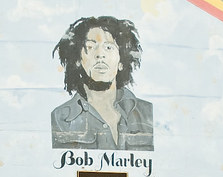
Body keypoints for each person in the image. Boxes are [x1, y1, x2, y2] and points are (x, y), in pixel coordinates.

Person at [51, 15, 153, 151]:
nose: (100, 54)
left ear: (121, 61)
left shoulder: (147, 113)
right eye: (90, 47)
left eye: (109, 47)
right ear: (78, 60)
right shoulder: (60, 118)